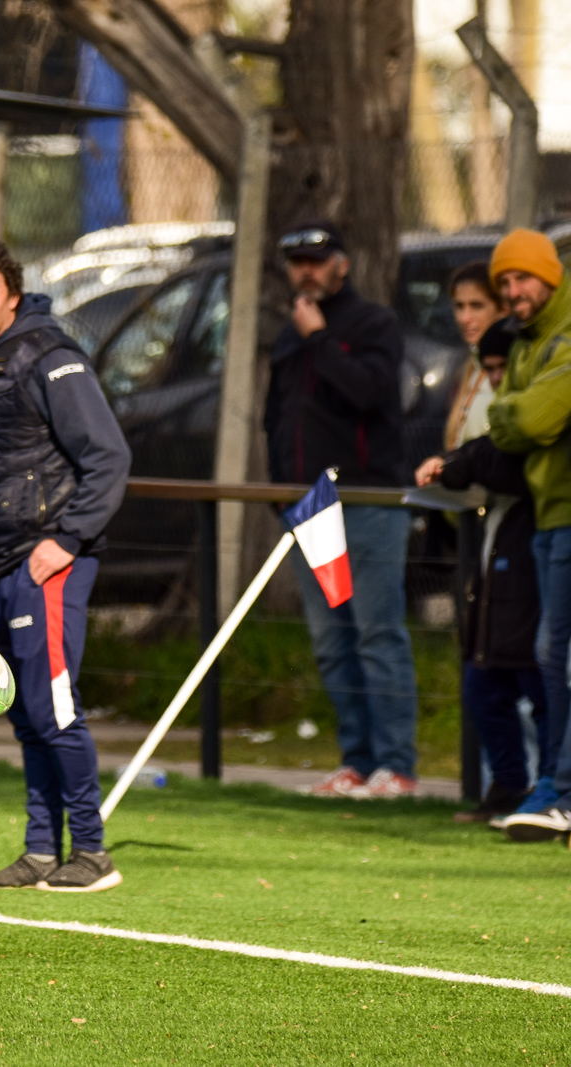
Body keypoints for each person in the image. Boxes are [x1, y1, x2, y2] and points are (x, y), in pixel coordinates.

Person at [0, 239, 131, 892]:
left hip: (46, 559)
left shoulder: (49, 354)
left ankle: (93, 852)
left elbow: (108, 456)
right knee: (21, 712)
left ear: (13, 295)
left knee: (54, 707)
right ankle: (41, 851)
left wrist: (68, 539)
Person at [262, 219, 419, 799]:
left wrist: (321, 339)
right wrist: (281, 491)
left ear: (342, 265)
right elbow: (276, 418)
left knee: (378, 634)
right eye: (296, 262)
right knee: (332, 642)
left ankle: (396, 767)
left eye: (316, 260)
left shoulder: (372, 324)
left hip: (367, 499)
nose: (306, 271)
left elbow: (370, 394)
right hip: (308, 506)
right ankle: (357, 761)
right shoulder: (289, 335)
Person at [415, 319, 542, 823]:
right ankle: (508, 787)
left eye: (500, 367)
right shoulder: (495, 408)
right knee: (483, 684)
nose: (494, 378)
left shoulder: (538, 406)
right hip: (497, 550)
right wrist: (455, 464)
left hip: (532, 556)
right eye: (486, 368)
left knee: (537, 684)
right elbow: (488, 450)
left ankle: (547, 791)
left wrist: (459, 465)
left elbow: (506, 461)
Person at [479, 230, 571, 841]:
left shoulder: (564, 333)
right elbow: (504, 419)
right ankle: (553, 786)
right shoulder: (525, 341)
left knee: (558, 657)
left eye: (522, 277)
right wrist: (517, 414)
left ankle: (560, 790)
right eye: (504, 282)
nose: (513, 291)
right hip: (547, 512)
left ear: (550, 274)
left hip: (566, 512)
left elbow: (532, 417)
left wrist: (518, 414)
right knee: (549, 658)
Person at [443, 262, 510, 452]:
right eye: (459, 306)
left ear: (503, 308)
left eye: (477, 306)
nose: (465, 318)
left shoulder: (515, 363)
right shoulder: (469, 366)